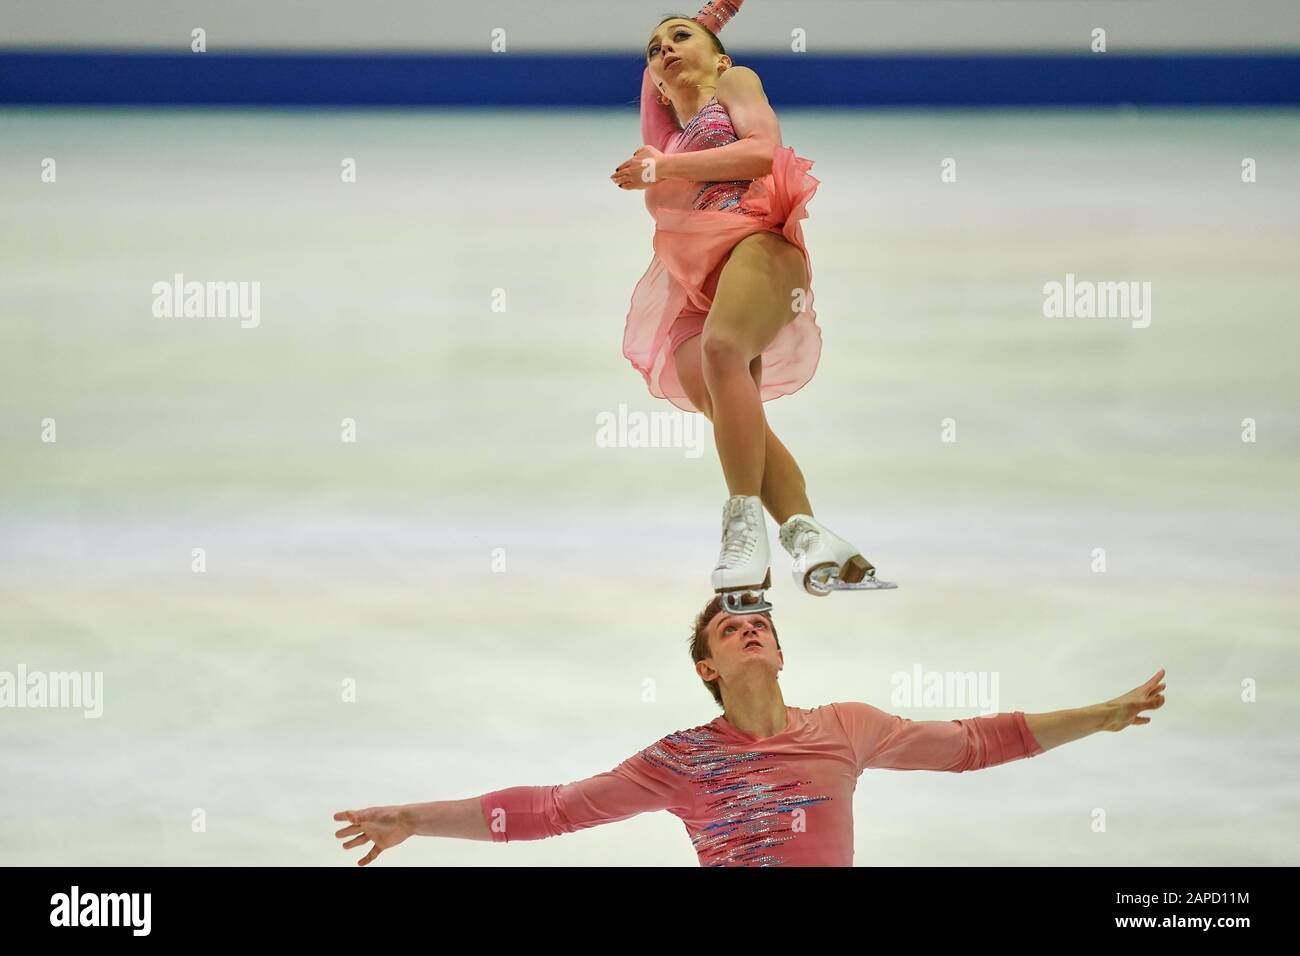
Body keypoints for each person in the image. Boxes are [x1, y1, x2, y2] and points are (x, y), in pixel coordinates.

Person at [333, 593, 1168, 866]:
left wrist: (1098, 716)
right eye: (730, 630)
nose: (751, 627)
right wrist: (415, 818)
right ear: (708, 668)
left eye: (760, 621)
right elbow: (551, 809)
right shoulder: (682, 761)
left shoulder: (848, 727)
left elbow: (976, 744)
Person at [611, 0, 894, 611]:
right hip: (694, 283)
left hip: (758, 245)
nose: (664, 51)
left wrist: (713, 15)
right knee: (737, 419)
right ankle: (813, 538)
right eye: (654, 51)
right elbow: (654, 90)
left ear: (719, 55)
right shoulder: (663, 135)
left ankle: (744, 533)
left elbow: (763, 152)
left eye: (680, 38)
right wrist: (663, 149)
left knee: (722, 348)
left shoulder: (734, 84)